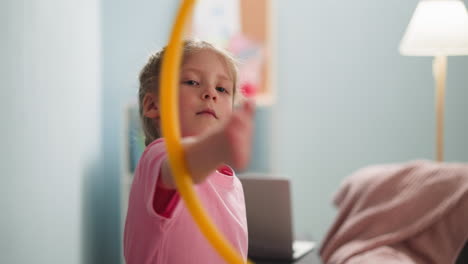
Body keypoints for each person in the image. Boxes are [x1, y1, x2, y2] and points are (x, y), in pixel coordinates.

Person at [124, 39, 255, 264]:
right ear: (154, 105)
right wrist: (219, 145)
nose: (210, 93)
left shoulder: (233, 185)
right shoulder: (157, 157)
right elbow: (182, 165)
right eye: (192, 82)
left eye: (222, 89)